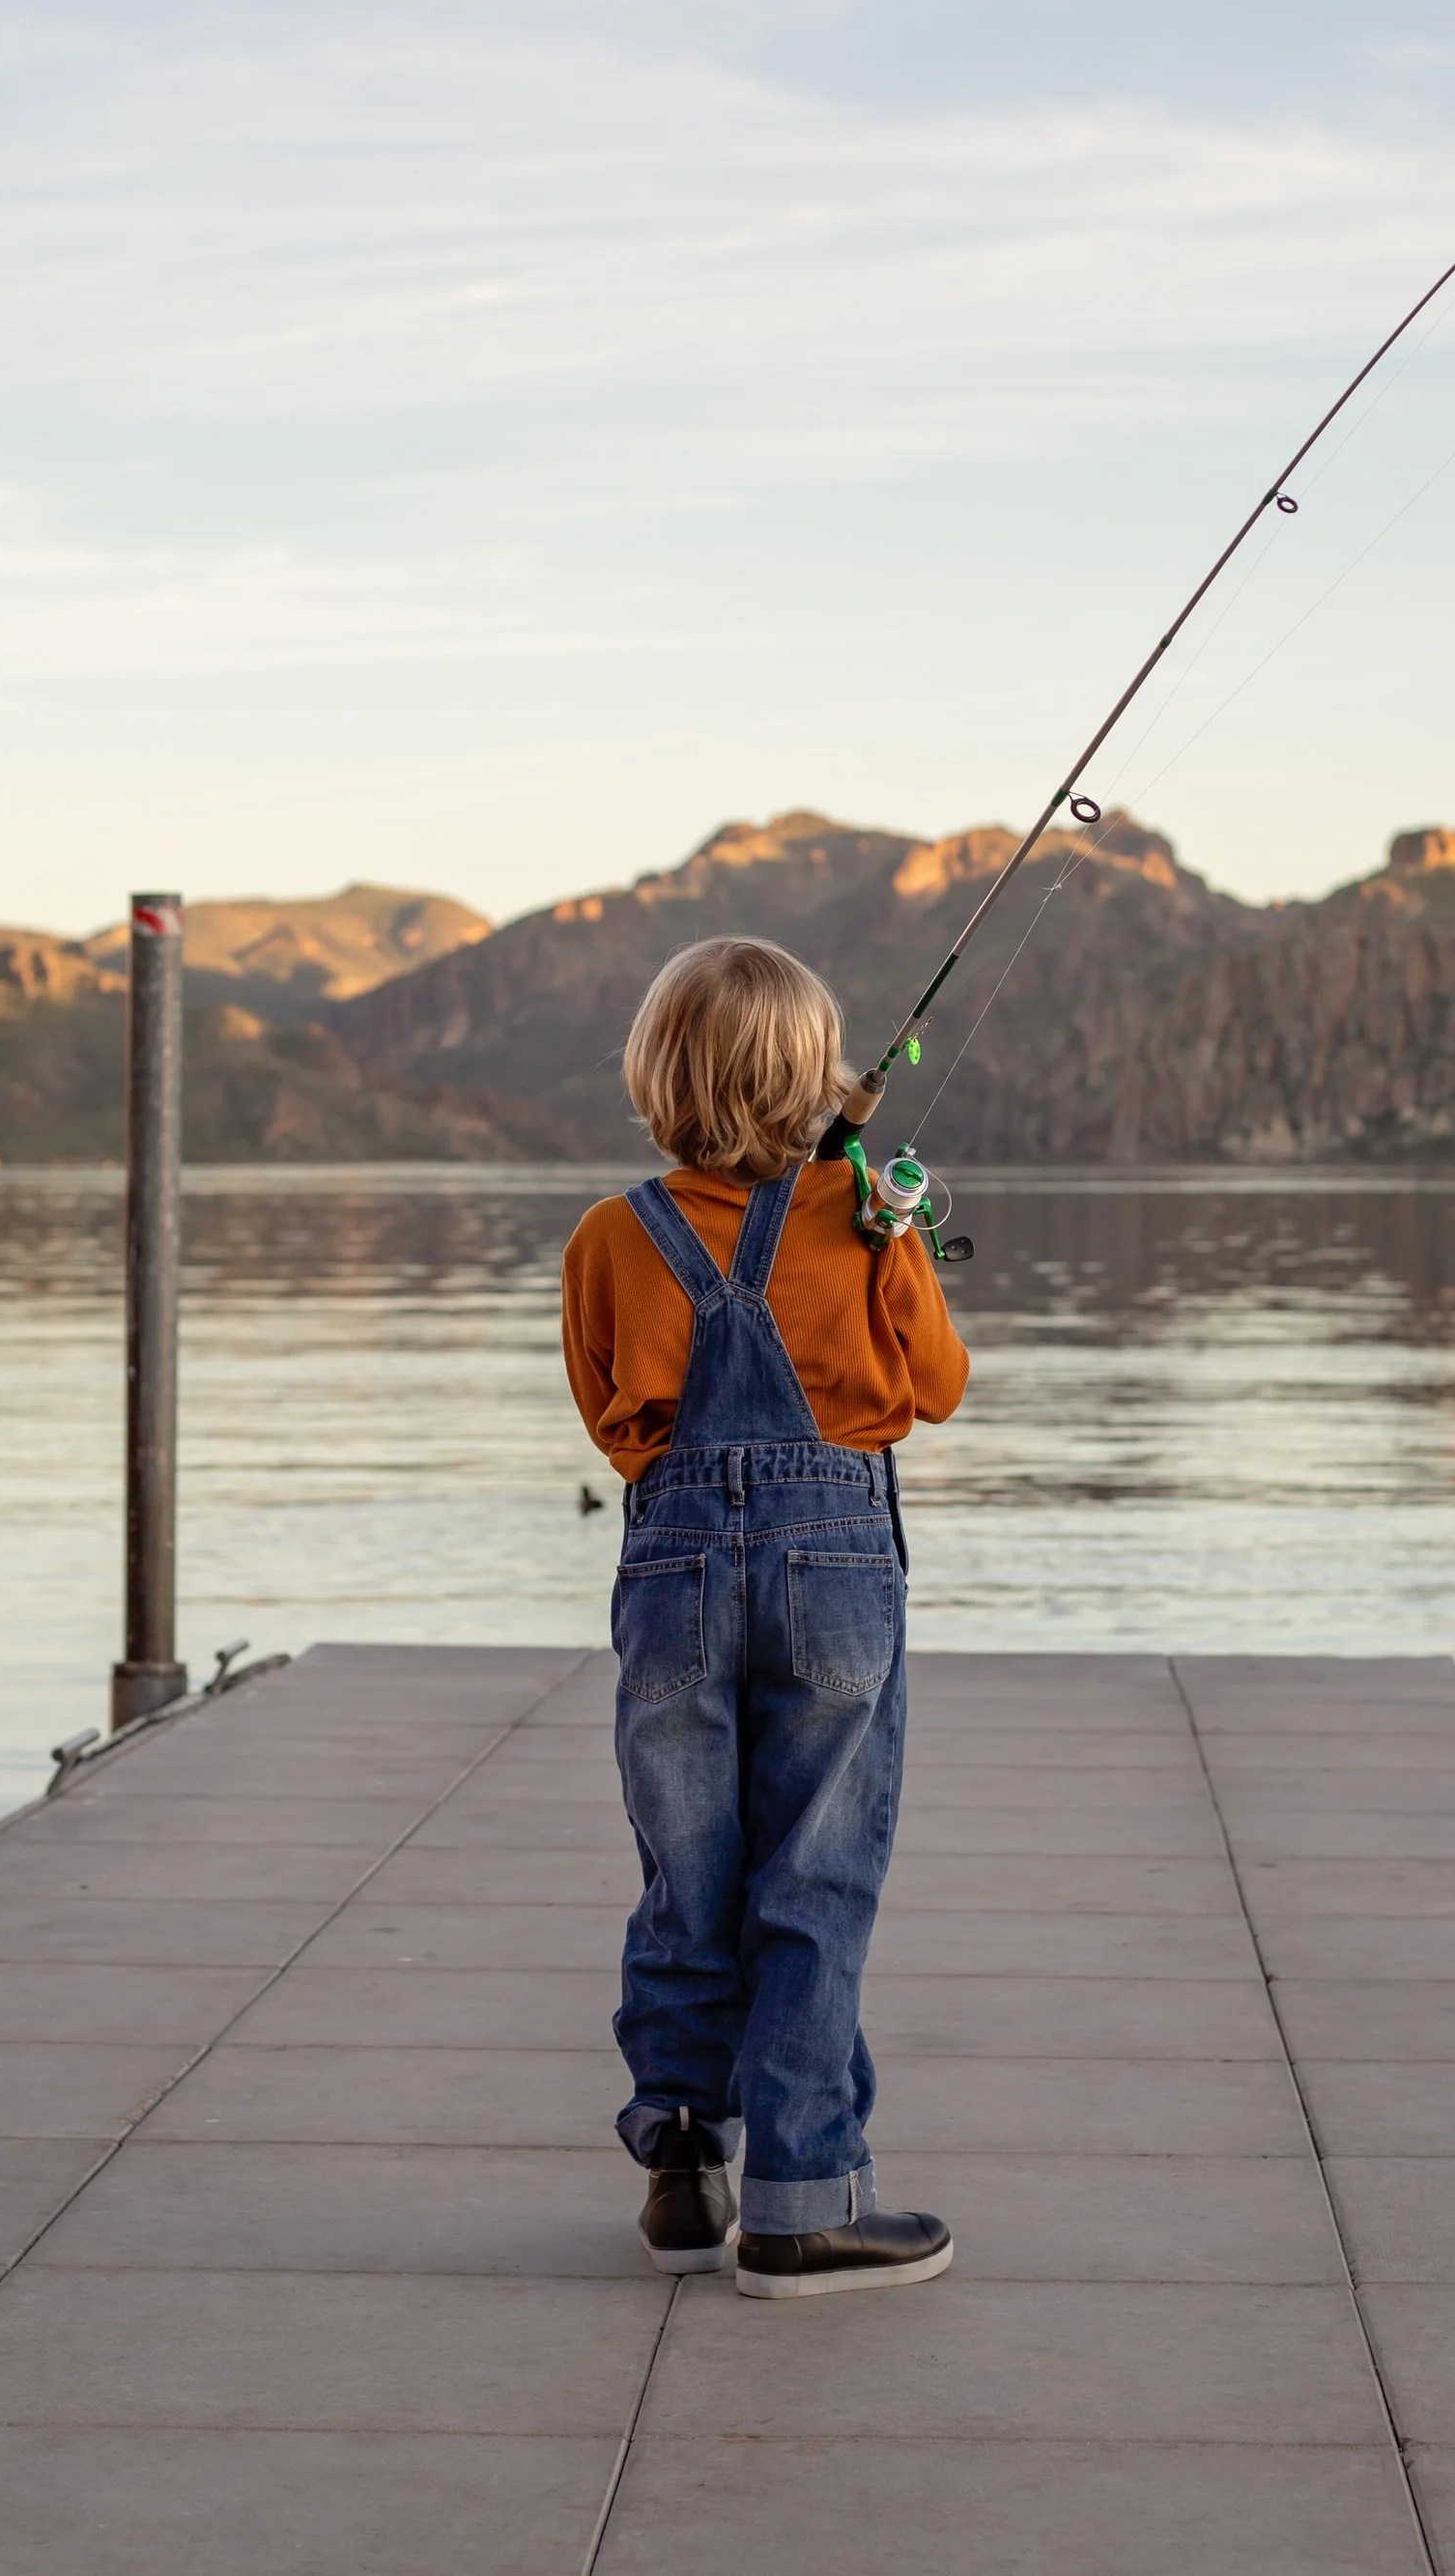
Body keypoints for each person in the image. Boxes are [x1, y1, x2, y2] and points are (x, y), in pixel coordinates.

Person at [560, 935, 970, 2297]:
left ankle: (684, 2157)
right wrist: (896, 1239)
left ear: (657, 1073)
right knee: (815, 1876)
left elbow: (614, 1418)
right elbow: (938, 1386)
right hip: (834, 1567)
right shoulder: (860, 1217)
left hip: (672, 1570)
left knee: (691, 1870)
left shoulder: (612, 1233)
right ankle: (802, 2197)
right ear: (817, 1078)